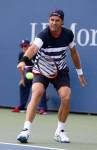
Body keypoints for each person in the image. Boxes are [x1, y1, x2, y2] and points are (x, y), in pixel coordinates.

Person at [16, 9, 86, 143]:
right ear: (49, 21)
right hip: (41, 69)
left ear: (62, 22)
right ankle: (25, 130)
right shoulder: (43, 35)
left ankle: (59, 131)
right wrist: (23, 61)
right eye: (52, 20)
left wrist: (80, 73)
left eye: (57, 20)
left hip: (60, 71)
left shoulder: (68, 34)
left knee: (66, 96)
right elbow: (33, 48)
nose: (53, 23)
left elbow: (74, 53)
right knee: (37, 92)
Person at [12, 40, 47, 114]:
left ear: (29, 46)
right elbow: (21, 68)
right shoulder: (21, 54)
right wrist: (22, 79)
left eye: (25, 46)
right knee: (22, 85)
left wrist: (37, 75)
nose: (23, 48)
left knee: (40, 88)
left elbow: (42, 66)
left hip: (39, 73)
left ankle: (42, 108)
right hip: (28, 74)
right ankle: (22, 106)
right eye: (22, 46)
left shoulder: (36, 54)